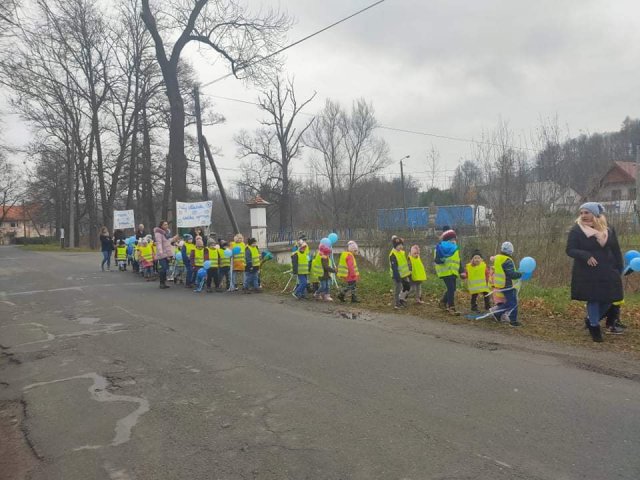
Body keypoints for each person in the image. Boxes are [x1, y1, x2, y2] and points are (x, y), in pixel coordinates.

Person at [566, 202, 623, 342]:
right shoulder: (577, 230)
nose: (583, 216)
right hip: (587, 271)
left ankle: (592, 318)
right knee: (593, 299)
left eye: (587, 212)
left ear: (595, 214)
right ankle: (594, 326)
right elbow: (570, 250)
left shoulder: (608, 230)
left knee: (611, 298)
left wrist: (619, 267)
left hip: (607, 269)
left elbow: (616, 249)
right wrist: (585, 255)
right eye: (581, 213)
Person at [491, 242, 522, 326]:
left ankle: (497, 313)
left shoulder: (498, 258)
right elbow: (511, 274)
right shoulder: (507, 260)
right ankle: (513, 321)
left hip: (501, 284)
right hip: (508, 285)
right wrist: (520, 274)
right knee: (513, 303)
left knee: (510, 302)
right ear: (511, 251)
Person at [434, 229, 461, 315]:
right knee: (451, 289)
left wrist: (462, 270)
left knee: (453, 289)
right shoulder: (441, 247)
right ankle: (451, 307)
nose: (454, 241)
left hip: (453, 271)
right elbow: (437, 259)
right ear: (447, 240)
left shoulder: (455, 248)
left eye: (454, 239)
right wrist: (441, 259)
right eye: (452, 239)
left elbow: (458, 260)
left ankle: (442, 302)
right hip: (445, 272)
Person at [154, 220, 177, 289]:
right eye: (165, 225)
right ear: (161, 226)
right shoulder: (158, 233)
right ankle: (161, 283)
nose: (166, 226)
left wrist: (175, 238)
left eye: (167, 224)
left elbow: (168, 241)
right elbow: (159, 243)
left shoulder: (166, 233)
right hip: (162, 254)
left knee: (166, 268)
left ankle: (164, 283)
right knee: (163, 268)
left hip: (167, 253)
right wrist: (160, 252)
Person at [389, 236, 411, 309]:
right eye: (399, 245)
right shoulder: (393, 254)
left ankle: (402, 299)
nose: (401, 247)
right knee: (397, 289)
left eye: (401, 245)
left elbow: (405, 263)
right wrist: (397, 277)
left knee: (407, 286)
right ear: (395, 246)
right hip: (397, 276)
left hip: (404, 274)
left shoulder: (402, 252)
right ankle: (397, 303)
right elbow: (394, 267)